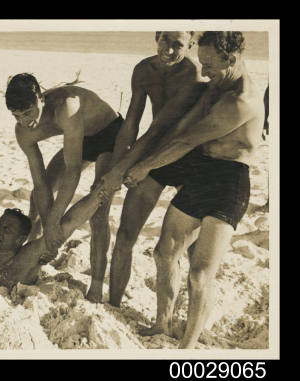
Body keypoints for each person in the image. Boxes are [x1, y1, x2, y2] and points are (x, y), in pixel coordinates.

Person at [104, 32, 264, 349]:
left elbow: (187, 140)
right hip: (203, 173)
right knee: (164, 253)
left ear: (230, 60)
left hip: (229, 182)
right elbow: (178, 129)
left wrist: (146, 166)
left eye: (208, 65)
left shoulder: (241, 99)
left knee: (200, 272)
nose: (202, 72)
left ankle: (187, 348)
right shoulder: (216, 87)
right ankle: (162, 323)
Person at [97, 31, 206, 306]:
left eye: (178, 44)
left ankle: (191, 313)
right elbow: (132, 122)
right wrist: (116, 168)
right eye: (165, 39)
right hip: (154, 153)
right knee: (124, 235)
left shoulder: (191, 73)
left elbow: (159, 126)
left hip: (187, 156)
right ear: (156, 36)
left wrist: (124, 167)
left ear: (191, 45)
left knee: (192, 250)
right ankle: (113, 306)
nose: (169, 49)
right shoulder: (143, 70)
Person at [5, 73, 124, 302]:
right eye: (16, 115)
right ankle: (32, 256)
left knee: (99, 211)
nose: (23, 121)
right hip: (81, 139)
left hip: (111, 134)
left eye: (28, 113)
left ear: (41, 98)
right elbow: (40, 183)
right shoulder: (22, 131)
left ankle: (97, 286)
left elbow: (73, 172)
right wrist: (49, 226)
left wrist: (53, 222)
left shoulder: (66, 107)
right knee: (36, 199)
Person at [0, 178, 114, 298]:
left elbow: (68, 225)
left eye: (7, 228)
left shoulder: (26, 258)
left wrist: (99, 195)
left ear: (19, 240)